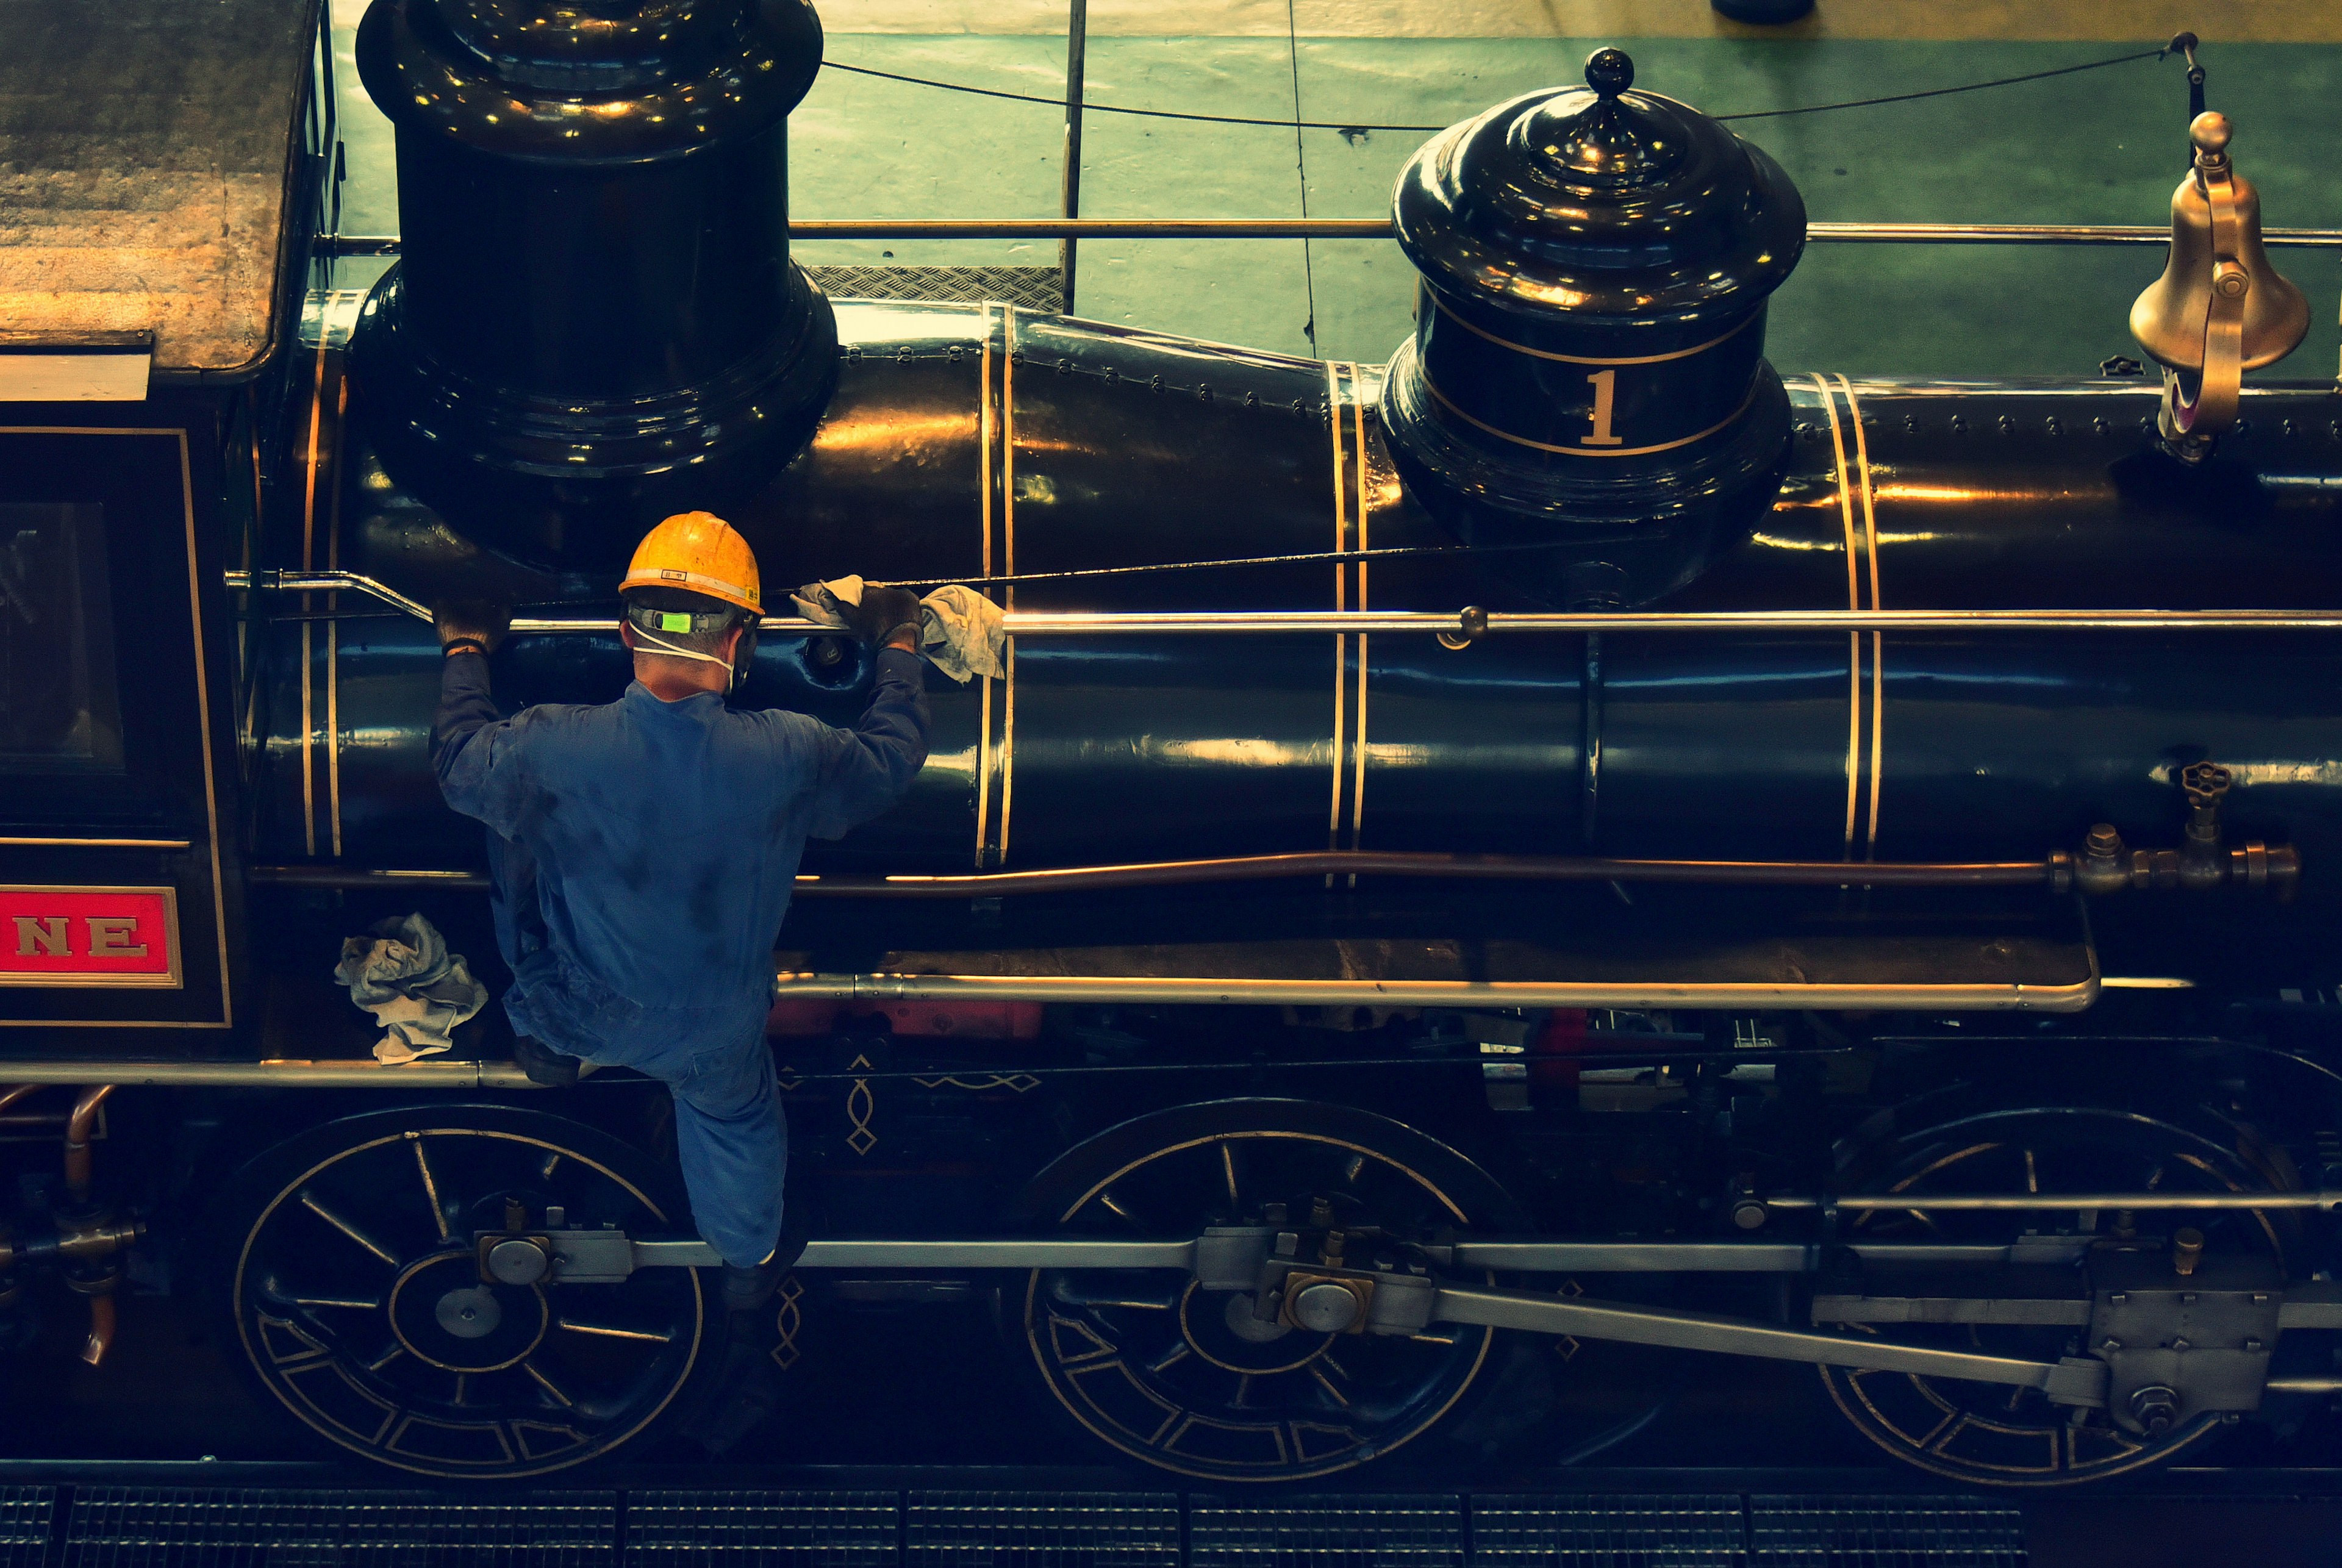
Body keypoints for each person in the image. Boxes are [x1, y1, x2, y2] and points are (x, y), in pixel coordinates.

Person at [429, 510, 929, 1311]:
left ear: (628, 633)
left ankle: (545, 1042)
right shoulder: (787, 750)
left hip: (581, 1007)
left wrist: (464, 649)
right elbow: (890, 762)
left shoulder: (549, 743)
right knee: (735, 1115)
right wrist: (900, 641)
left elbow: (458, 764)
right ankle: (747, 1258)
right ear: (740, 643)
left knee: (513, 816)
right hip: (710, 1028)